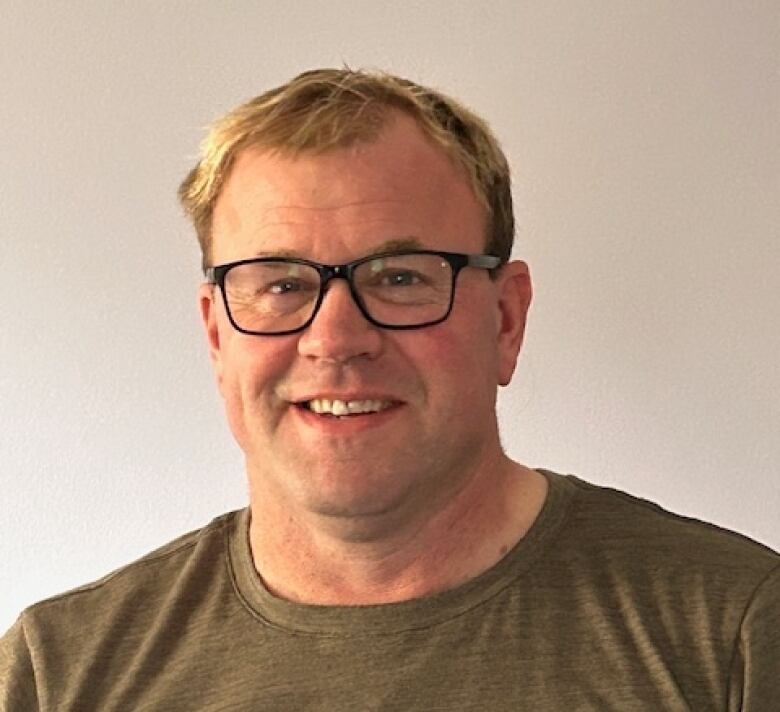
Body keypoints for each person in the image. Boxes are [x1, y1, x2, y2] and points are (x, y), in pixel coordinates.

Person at [1, 68, 777, 711]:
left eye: (400, 278)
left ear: (505, 321)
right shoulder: (58, 676)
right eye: (279, 284)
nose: (335, 339)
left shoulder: (737, 637)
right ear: (216, 333)